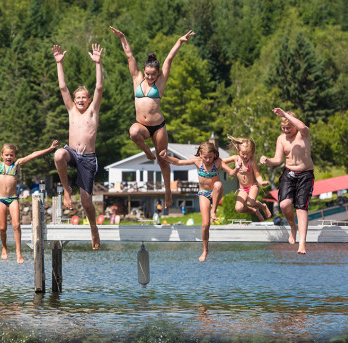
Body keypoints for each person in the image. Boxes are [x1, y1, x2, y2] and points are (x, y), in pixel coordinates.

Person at [110, 26, 195, 210]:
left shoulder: (160, 82)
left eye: (153, 74)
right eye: (147, 73)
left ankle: (167, 193)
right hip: (142, 126)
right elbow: (129, 56)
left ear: (157, 74)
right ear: (144, 71)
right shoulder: (137, 79)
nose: (149, 77)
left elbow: (169, 59)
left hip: (158, 127)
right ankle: (147, 152)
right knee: (133, 132)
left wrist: (179, 42)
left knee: (163, 160)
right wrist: (123, 38)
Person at [0, 137, 58, 263]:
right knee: (2, 228)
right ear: (2, 155)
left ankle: (18, 251)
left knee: (16, 225)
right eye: (6, 155)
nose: (8, 157)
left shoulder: (16, 165)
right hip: (1, 199)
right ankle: (4, 248)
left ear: (15, 156)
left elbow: (33, 155)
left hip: (13, 199)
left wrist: (50, 148)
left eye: (11, 155)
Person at [52, 44, 104, 249]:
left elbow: (99, 87)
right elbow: (63, 87)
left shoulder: (93, 111)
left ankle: (93, 227)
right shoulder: (72, 110)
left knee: (86, 202)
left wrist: (98, 64)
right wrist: (59, 63)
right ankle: (66, 189)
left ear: (89, 100)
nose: (81, 100)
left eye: (84, 97)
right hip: (72, 153)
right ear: (74, 100)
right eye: (78, 98)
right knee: (58, 155)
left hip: (88, 159)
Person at [260, 108, 314, 254]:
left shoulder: (304, 133)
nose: (286, 130)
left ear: (294, 125)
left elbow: (302, 126)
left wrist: (285, 114)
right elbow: (277, 160)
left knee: (302, 208)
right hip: (289, 174)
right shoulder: (281, 139)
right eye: (283, 128)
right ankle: (292, 227)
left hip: (306, 175)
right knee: (284, 204)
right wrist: (267, 161)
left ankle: (302, 243)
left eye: (288, 127)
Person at [160, 142, 224, 261]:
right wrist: (166, 157)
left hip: (216, 192)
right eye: (205, 157)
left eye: (210, 157)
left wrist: (239, 162)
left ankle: (213, 211)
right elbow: (178, 162)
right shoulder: (197, 162)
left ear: (214, 154)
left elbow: (232, 159)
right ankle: (205, 250)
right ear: (200, 155)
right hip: (203, 194)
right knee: (205, 225)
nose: (208, 160)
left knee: (218, 184)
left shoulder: (218, 162)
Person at [221, 136, 271, 221]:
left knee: (250, 202)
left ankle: (263, 206)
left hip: (253, 186)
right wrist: (212, 161)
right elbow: (221, 161)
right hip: (243, 188)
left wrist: (261, 182)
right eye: (243, 153)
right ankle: (254, 210)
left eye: (247, 154)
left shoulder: (252, 162)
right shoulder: (235, 158)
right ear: (238, 151)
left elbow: (257, 175)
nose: (245, 156)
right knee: (238, 208)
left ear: (251, 153)